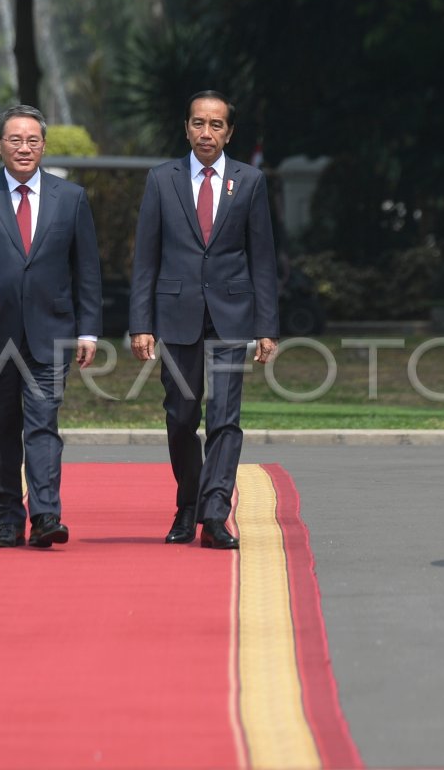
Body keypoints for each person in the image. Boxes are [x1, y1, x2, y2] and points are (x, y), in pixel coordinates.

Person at [0, 105, 103, 549]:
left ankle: (47, 514)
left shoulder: (69, 198)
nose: (24, 148)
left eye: (33, 140)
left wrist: (88, 330)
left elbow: (86, 269)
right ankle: (7, 520)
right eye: (15, 140)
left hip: (50, 333)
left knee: (42, 425)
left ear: (44, 146)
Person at [129, 90, 279, 550]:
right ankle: (188, 504)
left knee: (224, 416)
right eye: (198, 123)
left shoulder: (249, 181)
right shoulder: (162, 180)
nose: (206, 132)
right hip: (176, 314)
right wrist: (141, 323)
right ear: (187, 128)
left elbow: (262, 258)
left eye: (216, 125)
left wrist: (267, 326)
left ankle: (215, 514)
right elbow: (146, 257)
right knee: (180, 415)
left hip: (232, 315)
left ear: (229, 132)